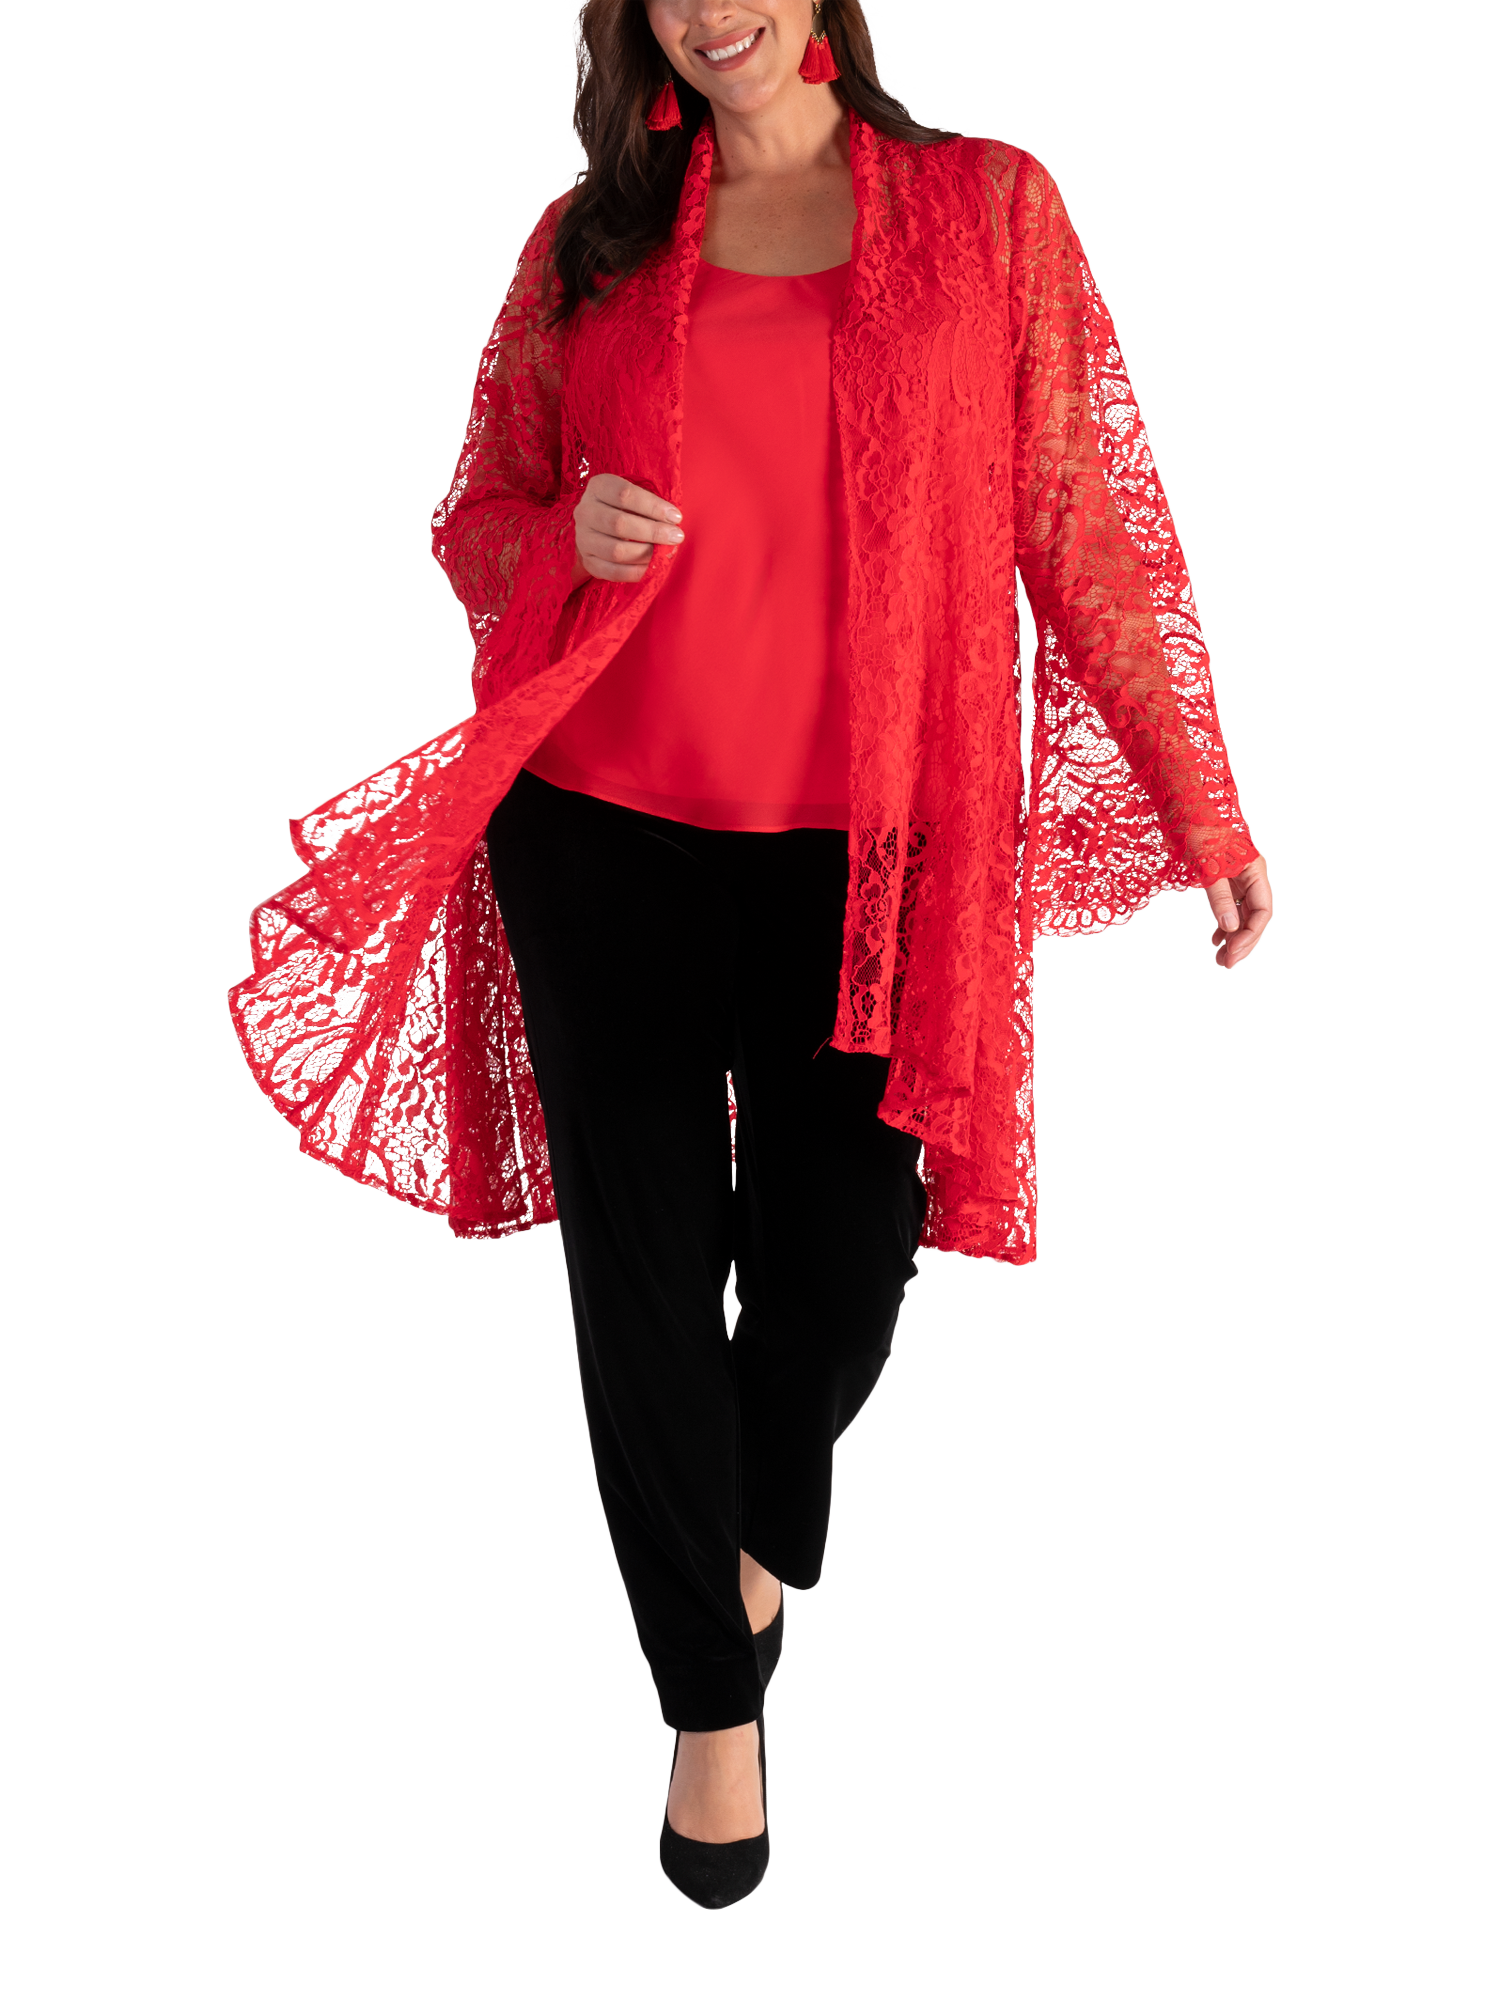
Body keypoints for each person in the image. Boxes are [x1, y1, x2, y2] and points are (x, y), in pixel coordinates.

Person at [230, 0, 1272, 1908]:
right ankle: (712, 1707)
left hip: (872, 853)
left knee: (844, 1268)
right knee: (644, 1285)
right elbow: (478, 516)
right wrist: (569, 535)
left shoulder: (990, 210)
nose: (711, 8)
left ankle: (750, 1524)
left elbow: (1080, 520)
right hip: (601, 830)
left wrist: (1199, 799)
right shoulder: (591, 241)